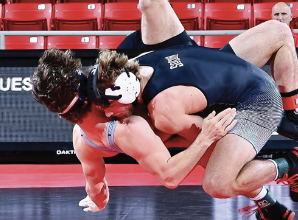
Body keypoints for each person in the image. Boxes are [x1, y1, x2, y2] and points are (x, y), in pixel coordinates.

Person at [30, 48, 238, 212]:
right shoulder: (127, 127)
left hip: (169, 123)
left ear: (60, 113)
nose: (111, 112)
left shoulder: (81, 141)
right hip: (188, 109)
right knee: (221, 168)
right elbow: (170, 177)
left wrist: (97, 201)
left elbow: (95, 186)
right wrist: (205, 138)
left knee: (216, 165)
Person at [118, 1, 298, 152]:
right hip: (206, 91)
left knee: (280, 30)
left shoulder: (113, 67)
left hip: (185, 59)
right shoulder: (162, 113)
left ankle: (294, 115)